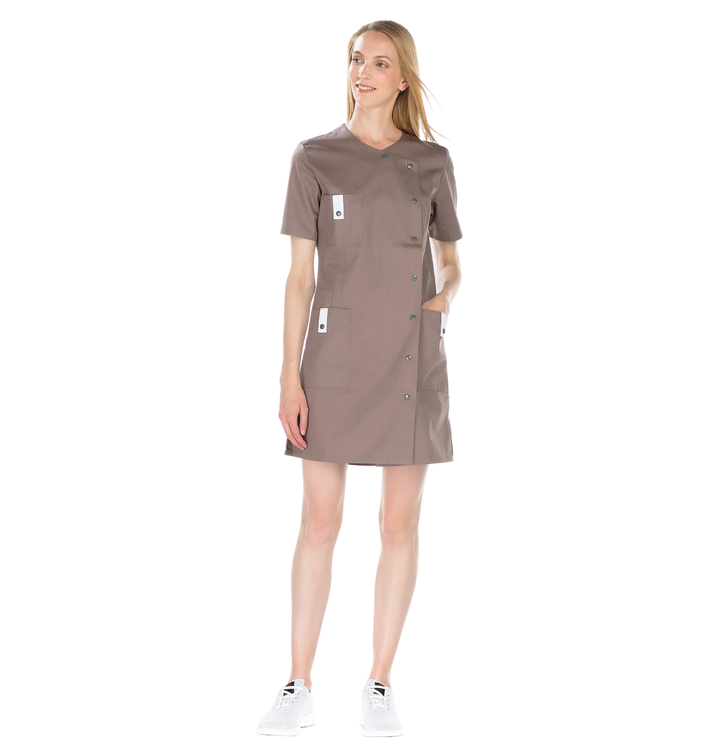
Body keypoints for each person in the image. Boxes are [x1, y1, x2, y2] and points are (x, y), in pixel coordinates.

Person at [259, 18, 465, 739]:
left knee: (399, 522)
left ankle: (379, 685)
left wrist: (435, 311)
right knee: (319, 519)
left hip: (411, 359)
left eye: (379, 62)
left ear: (402, 77)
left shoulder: (432, 162)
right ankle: (298, 685)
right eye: (355, 59)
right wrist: (288, 377)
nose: (363, 72)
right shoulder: (314, 156)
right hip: (333, 355)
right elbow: (298, 276)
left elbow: (453, 263)